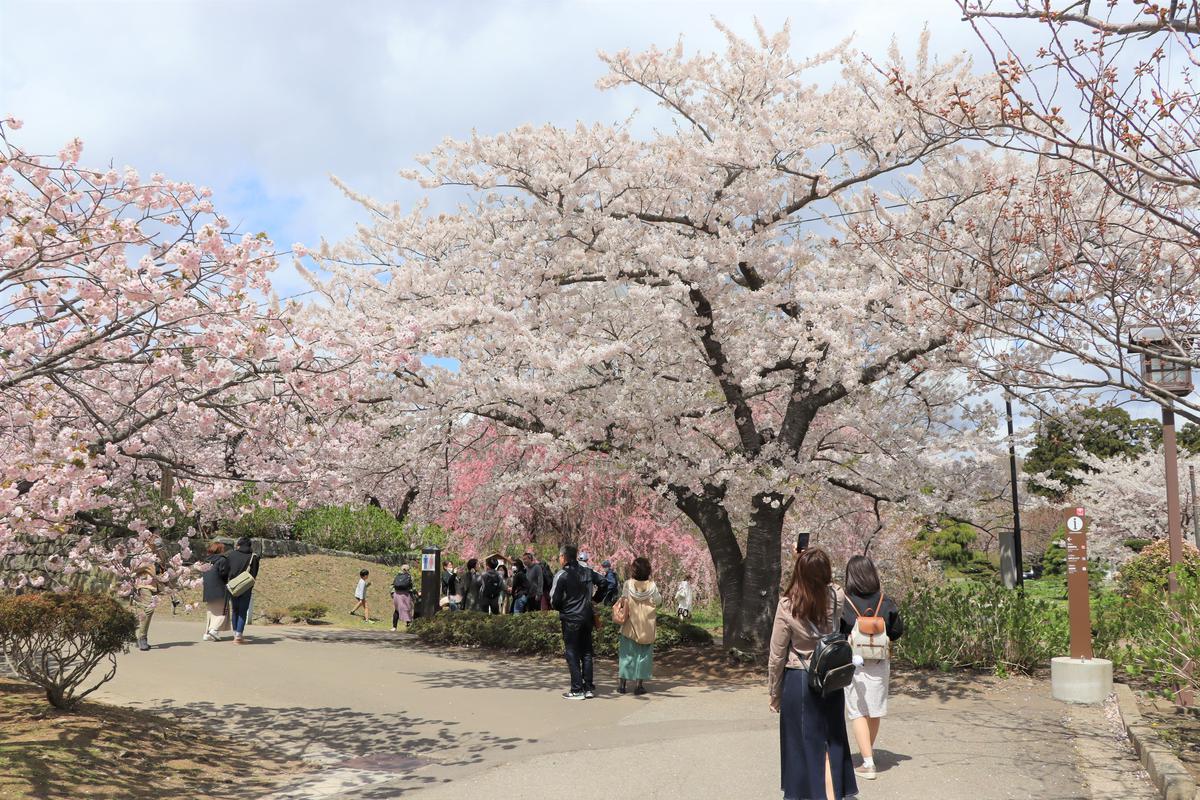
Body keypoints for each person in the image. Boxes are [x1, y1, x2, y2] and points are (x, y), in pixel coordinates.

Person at [768, 548, 857, 800]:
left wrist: (774, 693)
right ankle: (832, 794)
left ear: (799, 573)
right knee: (831, 742)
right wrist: (812, 563)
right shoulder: (836, 596)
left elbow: (777, 655)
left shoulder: (788, 605)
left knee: (802, 746)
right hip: (830, 679)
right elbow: (832, 587)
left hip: (800, 680)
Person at [839, 555, 904, 782]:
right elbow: (897, 631)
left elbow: (837, 632)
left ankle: (868, 762)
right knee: (873, 709)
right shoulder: (885, 601)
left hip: (853, 662)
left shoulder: (844, 601)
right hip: (879, 662)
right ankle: (868, 753)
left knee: (857, 711)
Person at [550, 545, 595, 700]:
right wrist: (594, 600)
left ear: (564, 557)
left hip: (571, 618)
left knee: (571, 652)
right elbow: (604, 583)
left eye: (560, 556)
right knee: (587, 652)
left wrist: (563, 607)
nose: (559, 559)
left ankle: (577, 689)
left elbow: (554, 600)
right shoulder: (587, 571)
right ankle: (588, 687)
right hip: (587, 616)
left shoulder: (562, 574)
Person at [617, 556, 661, 696]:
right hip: (647, 626)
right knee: (644, 656)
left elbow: (623, 600)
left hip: (630, 625)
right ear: (648, 570)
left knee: (627, 655)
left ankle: (622, 685)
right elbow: (658, 601)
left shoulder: (628, 584)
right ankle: (639, 685)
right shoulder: (652, 586)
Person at [225, 536, 260, 645]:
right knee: (242, 611)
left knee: (235, 609)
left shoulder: (231, 555)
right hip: (246, 587)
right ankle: (239, 636)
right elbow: (254, 574)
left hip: (233, 586)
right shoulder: (253, 557)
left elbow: (226, 570)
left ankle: (236, 634)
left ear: (239, 544)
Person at [201, 542, 231, 642]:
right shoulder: (222, 560)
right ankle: (213, 631)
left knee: (211, 613)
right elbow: (224, 574)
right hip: (220, 589)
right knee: (223, 612)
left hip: (208, 590)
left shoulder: (206, 560)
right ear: (220, 550)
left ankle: (207, 633)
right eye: (223, 549)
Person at [391, 564, 416, 631]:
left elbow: (392, 585)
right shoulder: (410, 576)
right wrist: (415, 594)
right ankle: (409, 626)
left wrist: (392, 594)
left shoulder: (397, 576)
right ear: (408, 569)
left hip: (396, 594)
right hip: (405, 595)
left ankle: (394, 627)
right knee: (407, 610)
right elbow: (413, 587)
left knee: (396, 610)